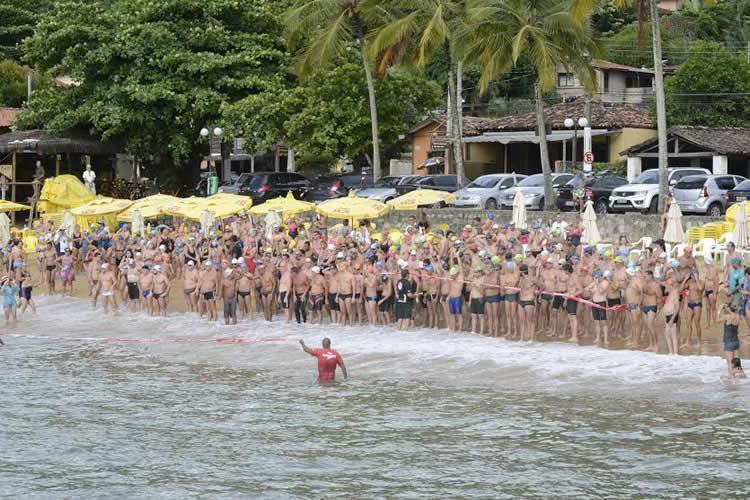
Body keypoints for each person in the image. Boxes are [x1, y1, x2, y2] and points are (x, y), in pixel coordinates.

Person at [718, 303, 741, 378]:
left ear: (729, 308)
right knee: (736, 362)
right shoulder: (738, 316)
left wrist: (719, 310)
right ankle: (739, 377)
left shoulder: (727, 317)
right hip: (736, 341)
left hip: (729, 342)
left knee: (730, 363)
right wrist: (726, 308)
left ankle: (731, 379)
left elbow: (717, 320)